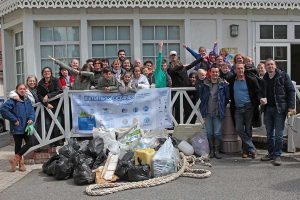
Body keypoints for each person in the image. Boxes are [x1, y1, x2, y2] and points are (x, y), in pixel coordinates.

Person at [260, 59, 296, 166]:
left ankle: (277, 155)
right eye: (268, 65)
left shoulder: (283, 76)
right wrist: (261, 98)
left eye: (272, 64)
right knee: (269, 133)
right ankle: (271, 153)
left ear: (275, 65)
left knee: (279, 134)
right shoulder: (264, 78)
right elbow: (261, 92)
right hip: (267, 109)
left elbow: (291, 91)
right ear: (265, 67)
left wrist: (291, 107)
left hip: (280, 109)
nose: (270, 66)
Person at [228, 63, 261, 159]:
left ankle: (246, 151)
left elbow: (257, 91)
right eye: (238, 68)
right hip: (237, 108)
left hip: (249, 108)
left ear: (244, 69)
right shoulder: (232, 81)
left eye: (242, 68)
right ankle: (252, 148)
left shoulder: (250, 79)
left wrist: (259, 100)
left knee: (248, 129)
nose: (240, 70)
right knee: (238, 129)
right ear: (235, 70)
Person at [196, 66, 229, 159]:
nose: (215, 74)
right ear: (210, 73)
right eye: (213, 72)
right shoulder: (204, 84)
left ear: (219, 73)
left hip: (218, 112)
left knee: (217, 133)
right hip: (207, 112)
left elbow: (226, 98)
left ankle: (217, 151)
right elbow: (201, 96)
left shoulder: (223, 84)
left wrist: (221, 107)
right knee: (209, 133)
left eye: (217, 72)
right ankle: (211, 151)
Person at [0, 83, 35, 172]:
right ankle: (20, 164)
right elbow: (3, 110)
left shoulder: (27, 100)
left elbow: (32, 111)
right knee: (18, 145)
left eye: (24, 89)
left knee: (31, 142)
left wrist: (31, 118)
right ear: (17, 90)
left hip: (27, 126)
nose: (22, 90)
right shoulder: (12, 100)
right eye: (20, 89)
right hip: (17, 127)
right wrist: (14, 119)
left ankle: (15, 159)